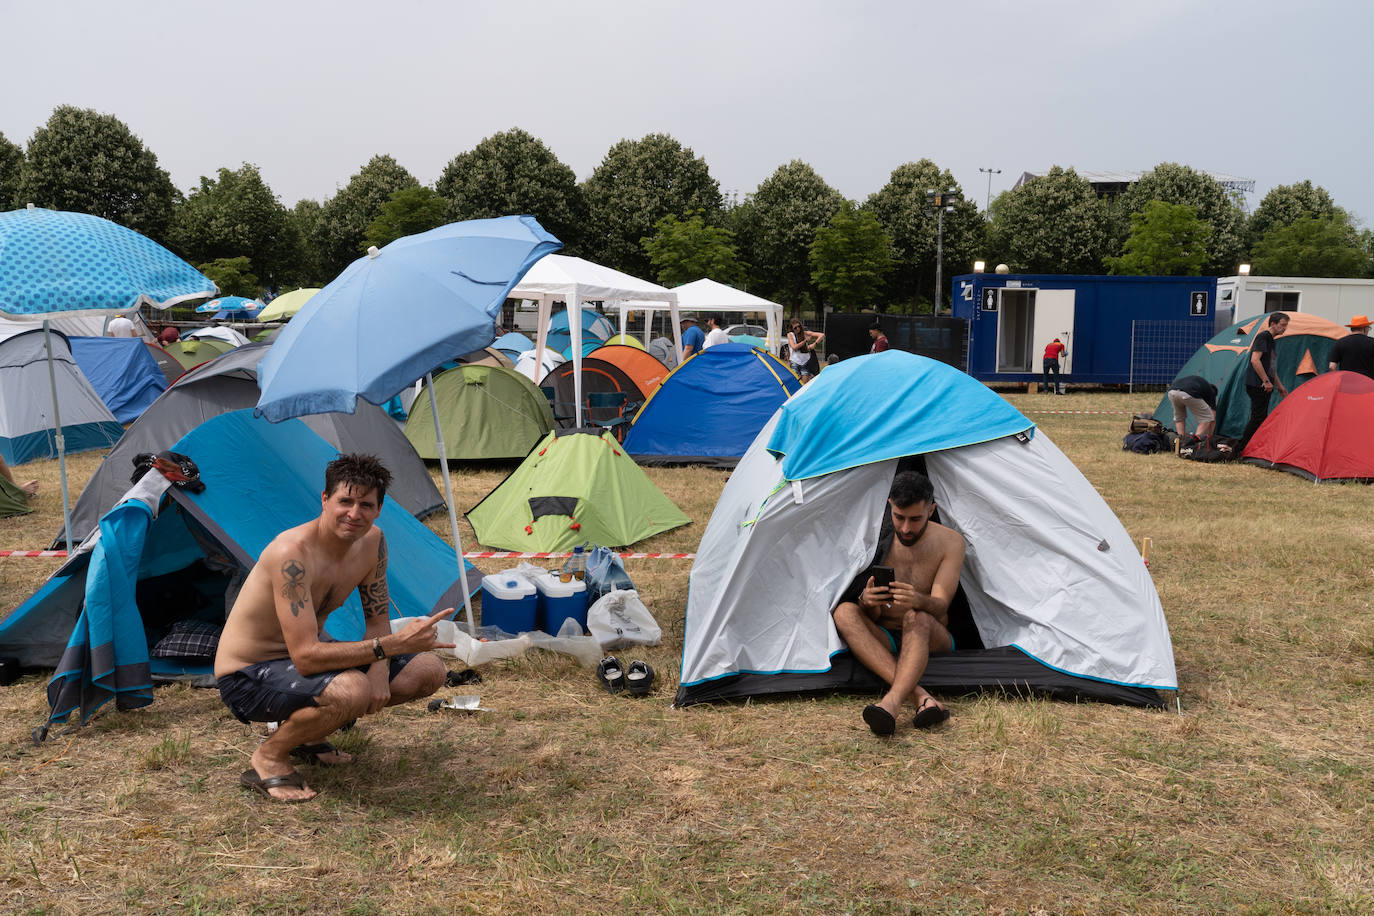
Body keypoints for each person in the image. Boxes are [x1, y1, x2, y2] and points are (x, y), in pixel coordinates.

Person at [214, 454, 454, 802]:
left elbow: (376, 619)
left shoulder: (373, 542)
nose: (354, 514)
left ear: (379, 509)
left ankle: (308, 737)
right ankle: (268, 757)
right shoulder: (292, 554)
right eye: (345, 501)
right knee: (351, 691)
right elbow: (307, 658)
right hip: (247, 675)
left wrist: (379, 668)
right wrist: (387, 649)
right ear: (325, 500)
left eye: (366, 505)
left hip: (302, 663)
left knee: (427, 671)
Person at [831, 471, 965, 737]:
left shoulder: (950, 542)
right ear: (889, 506)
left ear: (931, 510)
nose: (905, 528)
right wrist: (868, 602)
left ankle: (891, 703)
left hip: (931, 634)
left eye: (915, 519)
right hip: (887, 635)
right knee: (845, 612)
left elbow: (941, 607)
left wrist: (918, 600)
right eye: (899, 517)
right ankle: (920, 697)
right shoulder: (875, 538)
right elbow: (872, 612)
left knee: (916, 616)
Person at [1238, 312, 1290, 450]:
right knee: (1258, 418)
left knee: (1260, 417)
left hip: (1263, 384)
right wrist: (1266, 381)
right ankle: (1241, 449)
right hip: (1257, 384)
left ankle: (1252, 447)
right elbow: (1255, 360)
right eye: (1283, 325)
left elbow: (1270, 367)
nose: (1285, 329)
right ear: (1273, 324)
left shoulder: (1271, 340)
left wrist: (1280, 386)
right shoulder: (1263, 337)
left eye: (1286, 326)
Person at [1166, 375, 1218, 440]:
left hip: (1172, 392)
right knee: (1206, 419)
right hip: (1189, 392)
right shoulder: (1211, 392)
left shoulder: (1200, 384)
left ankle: (1180, 442)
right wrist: (1210, 435)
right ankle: (1193, 443)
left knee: (1179, 418)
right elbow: (1213, 416)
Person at [1327, 315, 1374, 379]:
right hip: (1366, 383)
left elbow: (1332, 367)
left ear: (1352, 328)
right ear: (1364, 328)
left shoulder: (1340, 342)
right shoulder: (1372, 342)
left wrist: (1338, 379)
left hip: (1346, 382)